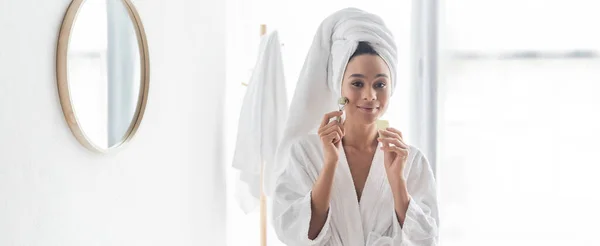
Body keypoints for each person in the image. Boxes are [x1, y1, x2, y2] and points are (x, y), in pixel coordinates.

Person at [269, 8, 439, 246]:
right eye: (357, 83)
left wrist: (398, 182)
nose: (370, 95)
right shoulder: (304, 154)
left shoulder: (411, 160)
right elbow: (296, 234)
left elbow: (427, 240)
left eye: (380, 84)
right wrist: (329, 165)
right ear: (339, 86)